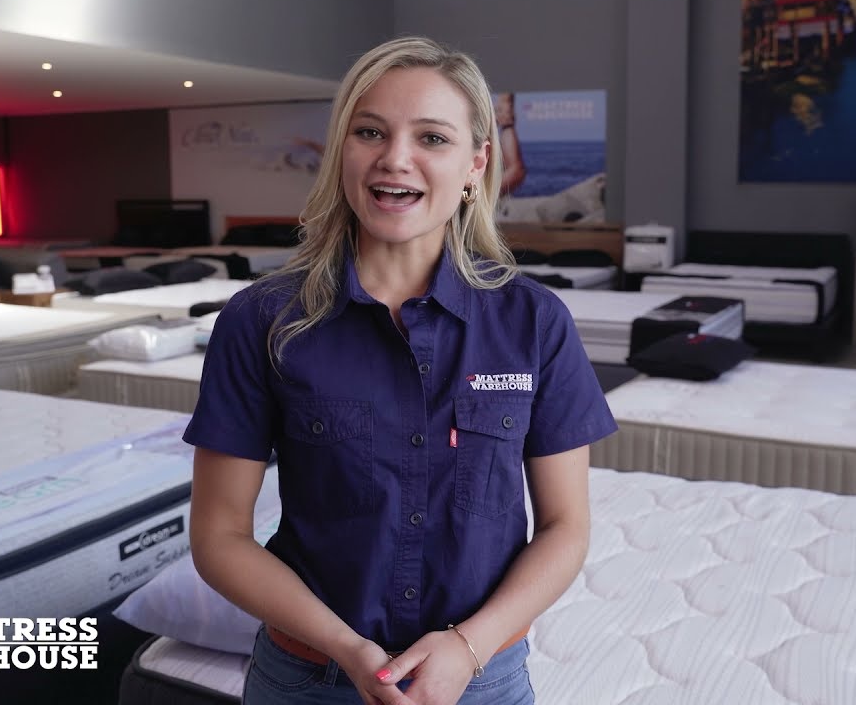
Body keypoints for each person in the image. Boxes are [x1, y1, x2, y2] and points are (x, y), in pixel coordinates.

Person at [185, 35, 617, 705]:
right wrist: (350, 650)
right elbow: (219, 537)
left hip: (482, 677)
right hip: (309, 680)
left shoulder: (534, 322)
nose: (395, 158)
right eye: (370, 132)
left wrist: (468, 646)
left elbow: (567, 528)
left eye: (432, 138)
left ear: (476, 163)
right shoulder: (260, 320)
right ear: (342, 150)